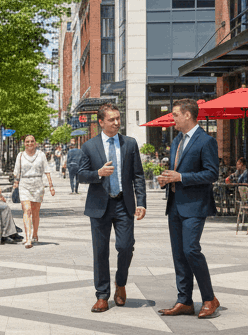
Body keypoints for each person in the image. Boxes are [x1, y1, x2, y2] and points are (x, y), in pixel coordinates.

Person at [77, 104, 146, 312]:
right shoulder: (89, 146)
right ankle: (102, 295)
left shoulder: (130, 144)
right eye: (112, 120)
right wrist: (98, 173)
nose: (117, 123)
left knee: (125, 247)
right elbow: (80, 175)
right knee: (100, 251)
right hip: (99, 205)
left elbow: (138, 176)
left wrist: (141, 201)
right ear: (101, 122)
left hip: (124, 204)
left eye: (118, 119)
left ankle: (121, 284)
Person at [157, 99, 219, 319]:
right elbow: (176, 171)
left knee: (191, 249)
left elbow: (212, 174)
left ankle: (210, 299)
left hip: (195, 206)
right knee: (179, 254)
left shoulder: (206, 141)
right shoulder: (177, 141)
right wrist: (167, 179)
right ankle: (184, 300)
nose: (171, 119)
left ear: (187, 115)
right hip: (174, 204)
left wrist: (181, 177)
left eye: (174, 115)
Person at [12, 135, 55, 248]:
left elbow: (47, 170)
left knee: (35, 212)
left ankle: (35, 233)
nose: (29, 143)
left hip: (38, 185)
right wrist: (15, 183)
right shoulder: (20, 155)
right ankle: (28, 238)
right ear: (24, 143)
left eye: (32, 141)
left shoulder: (41, 155)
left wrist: (51, 185)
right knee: (27, 210)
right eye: (27, 141)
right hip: (24, 184)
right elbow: (16, 171)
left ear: (35, 143)